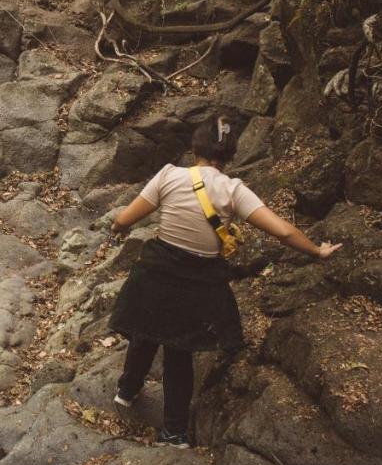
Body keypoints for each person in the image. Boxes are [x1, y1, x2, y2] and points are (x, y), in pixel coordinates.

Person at [106, 115, 341, 447]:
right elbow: (284, 231)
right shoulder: (233, 190)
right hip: (198, 281)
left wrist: (118, 228)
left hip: (157, 271)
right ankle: (174, 432)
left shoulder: (169, 176)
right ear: (229, 155)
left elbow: (125, 218)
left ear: (194, 147)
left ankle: (127, 392)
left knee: (144, 332)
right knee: (178, 352)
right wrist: (317, 250)